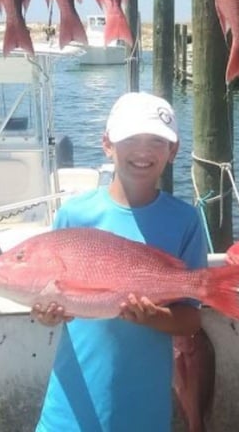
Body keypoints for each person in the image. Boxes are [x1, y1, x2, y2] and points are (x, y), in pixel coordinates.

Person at [32, 92, 208, 432]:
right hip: (68, 413)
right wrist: (45, 313)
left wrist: (153, 317)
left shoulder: (185, 220)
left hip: (143, 414)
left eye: (157, 141)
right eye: (130, 139)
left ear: (173, 151)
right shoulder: (73, 215)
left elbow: (189, 320)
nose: (143, 151)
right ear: (107, 144)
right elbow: (55, 299)